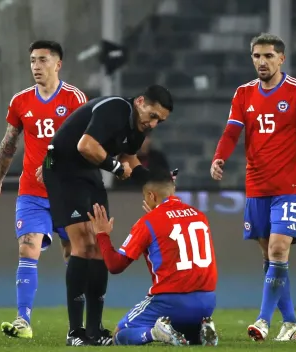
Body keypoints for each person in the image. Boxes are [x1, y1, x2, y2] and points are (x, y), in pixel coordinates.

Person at [210, 33, 296, 342]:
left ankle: (263, 320)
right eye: (257, 56)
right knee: (271, 255)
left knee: (278, 248)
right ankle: (291, 323)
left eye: (268, 56)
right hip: (256, 185)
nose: (262, 62)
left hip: (289, 185)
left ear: (281, 59)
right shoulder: (244, 93)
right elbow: (232, 132)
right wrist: (219, 157)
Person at [41, 84, 174, 346]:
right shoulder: (115, 108)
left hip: (88, 172)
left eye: (160, 120)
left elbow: (130, 161)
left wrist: (158, 181)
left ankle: (94, 330)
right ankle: (75, 332)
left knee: (99, 244)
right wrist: (115, 167)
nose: (154, 124)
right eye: (153, 115)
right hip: (61, 168)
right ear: (139, 102)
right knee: (82, 244)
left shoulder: (137, 131)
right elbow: (86, 145)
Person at [0, 40, 88, 339]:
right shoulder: (20, 101)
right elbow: (8, 145)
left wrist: (57, 164)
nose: (36, 66)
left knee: (74, 253)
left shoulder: (75, 99)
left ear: (58, 64)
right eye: (32, 60)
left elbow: (86, 144)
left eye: (43, 60)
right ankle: (23, 320)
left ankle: (77, 327)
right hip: (32, 191)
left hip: (68, 191)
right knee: (27, 248)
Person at [87, 169, 219, 346]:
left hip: (171, 302)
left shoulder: (149, 222)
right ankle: (199, 330)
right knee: (180, 334)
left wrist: (102, 234)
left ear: (151, 195)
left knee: (120, 334)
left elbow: (115, 265)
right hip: (207, 302)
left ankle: (154, 333)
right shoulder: (200, 216)